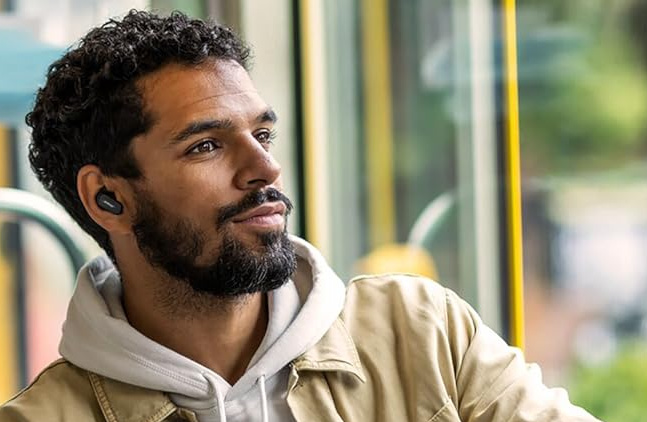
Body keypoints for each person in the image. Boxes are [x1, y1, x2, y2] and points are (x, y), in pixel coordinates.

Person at [0, 10, 601, 422]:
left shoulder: (421, 333)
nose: (264, 169)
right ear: (108, 197)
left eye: (262, 133)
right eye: (206, 145)